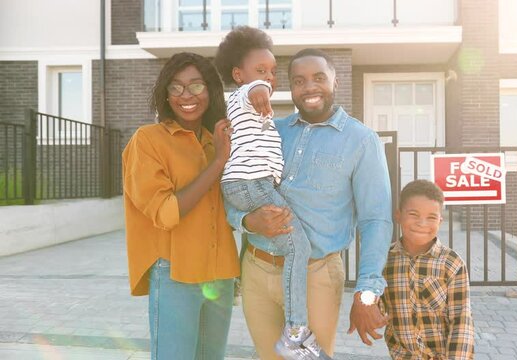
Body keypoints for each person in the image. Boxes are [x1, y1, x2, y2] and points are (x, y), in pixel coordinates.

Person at [223, 48, 393, 359]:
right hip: (258, 270)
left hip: (316, 276)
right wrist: (246, 221)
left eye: (318, 78)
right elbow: (238, 182)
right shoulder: (271, 129)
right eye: (299, 81)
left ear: (335, 82)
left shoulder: (362, 140)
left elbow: (375, 220)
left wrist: (367, 293)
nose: (309, 87)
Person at [214, 26, 329, 359]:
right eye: (260, 70)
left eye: (273, 72)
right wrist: (260, 88)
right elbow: (256, 91)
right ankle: (295, 333)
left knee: (293, 246)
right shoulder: (247, 95)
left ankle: (293, 329)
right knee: (299, 246)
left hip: (252, 184)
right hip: (250, 184)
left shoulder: (254, 111)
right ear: (239, 75)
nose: (269, 77)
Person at [122, 52, 239, 360]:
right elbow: (166, 212)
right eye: (176, 87)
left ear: (210, 90)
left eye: (196, 85)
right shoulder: (148, 140)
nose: (186, 95)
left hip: (221, 273)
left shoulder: (216, 140)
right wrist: (218, 163)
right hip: (175, 272)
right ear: (166, 94)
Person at [381, 179, 475, 359]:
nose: (422, 223)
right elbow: (378, 305)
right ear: (398, 215)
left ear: (441, 220)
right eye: (414, 214)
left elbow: (461, 321)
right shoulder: (385, 260)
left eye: (431, 217)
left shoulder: (452, 264)